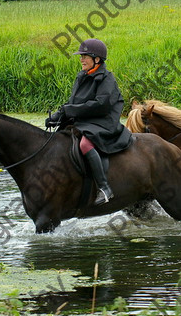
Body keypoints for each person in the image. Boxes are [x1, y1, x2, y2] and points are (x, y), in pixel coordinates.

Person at [46, 38, 132, 206]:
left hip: (103, 121)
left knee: (85, 144)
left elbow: (100, 105)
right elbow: (73, 103)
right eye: (81, 56)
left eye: (85, 56)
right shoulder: (82, 76)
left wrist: (68, 110)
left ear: (96, 59)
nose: (81, 59)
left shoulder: (107, 79)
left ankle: (104, 188)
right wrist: (58, 116)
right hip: (85, 121)